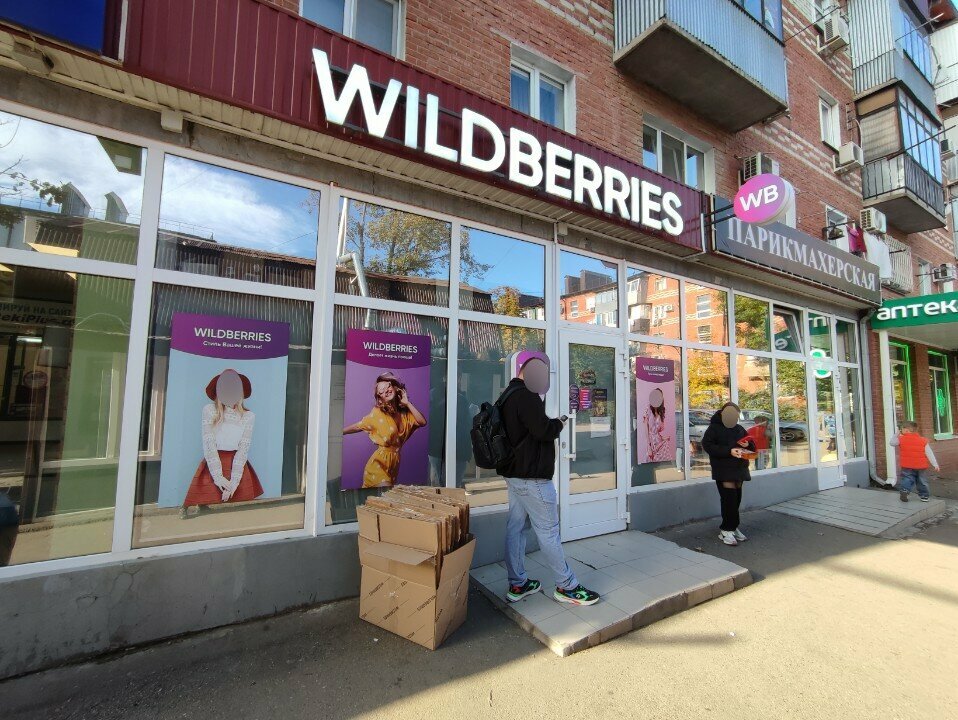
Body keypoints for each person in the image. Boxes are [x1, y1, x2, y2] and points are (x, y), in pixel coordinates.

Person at [499, 356, 600, 606]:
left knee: (516, 528)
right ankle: (567, 586)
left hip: (514, 474)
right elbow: (543, 430)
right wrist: (559, 423)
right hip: (532, 477)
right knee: (549, 532)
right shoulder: (527, 396)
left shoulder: (507, 396)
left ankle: (518, 583)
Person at [182, 369, 264, 518]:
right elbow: (209, 444)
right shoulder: (209, 410)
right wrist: (218, 477)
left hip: (237, 465)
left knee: (238, 513)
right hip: (213, 462)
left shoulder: (248, 416)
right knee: (203, 508)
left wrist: (234, 482)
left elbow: (243, 450)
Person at [343, 372, 427, 488]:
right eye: (381, 391)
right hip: (377, 464)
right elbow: (358, 426)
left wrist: (407, 403)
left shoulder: (405, 414)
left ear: (395, 387)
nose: (386, 391)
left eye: (388, 386)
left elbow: (422, 422)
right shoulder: (378, 413)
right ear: (380, 398)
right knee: (388, 493)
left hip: (393, 465)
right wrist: (338, 432)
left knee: (382, 497)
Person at [702, 402, 754, 546]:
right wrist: (728, 451)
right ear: (722, 413)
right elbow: (708, 446)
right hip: (723, 469)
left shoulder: (739, 428)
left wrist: (747, 445)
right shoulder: (714, 428)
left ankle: (733, 526)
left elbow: (751, 444)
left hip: (739, 469)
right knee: (728, 499)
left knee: (736, 499)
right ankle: (726, 530)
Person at [890, 420, 939, 502]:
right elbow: (929, 453)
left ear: (906, 430)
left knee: (907, 478)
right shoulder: (923, 440)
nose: (901, 431)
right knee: (922, 481)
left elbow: (892, 443)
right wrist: (935, 464)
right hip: (921, 466)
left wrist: (897, 433)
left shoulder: (901, 439)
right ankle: (924, 496)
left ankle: (905, 490)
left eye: (901, 429)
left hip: (907, 465)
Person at [643, 388, 672, 463]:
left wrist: (663, 438)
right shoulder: (648, 409)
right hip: (651, 443)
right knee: (649, 463)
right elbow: (646, 429)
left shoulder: (661, 412)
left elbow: (659, 430)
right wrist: (649, 447)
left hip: (659, 442)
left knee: (661, 465)